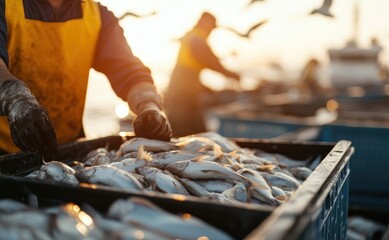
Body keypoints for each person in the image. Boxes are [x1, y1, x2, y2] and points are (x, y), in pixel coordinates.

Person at [0, 0, 172, 156]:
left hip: (68, 153)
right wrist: (15, 99)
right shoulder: (6, 5)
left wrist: (149, 106)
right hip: (4, 152)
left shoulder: (98, 17)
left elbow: (131, 74)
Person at [165, 12, 240, 137]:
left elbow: (191, 74)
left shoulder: (191, 37)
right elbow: (209, 60)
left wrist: (207, 89)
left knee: (190, 136)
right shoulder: (196, 39)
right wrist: (230, 74)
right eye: (211, 27)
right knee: (196, 137)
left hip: (184, 97)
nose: (211, 31)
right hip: (183, 100)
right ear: (205, 23)